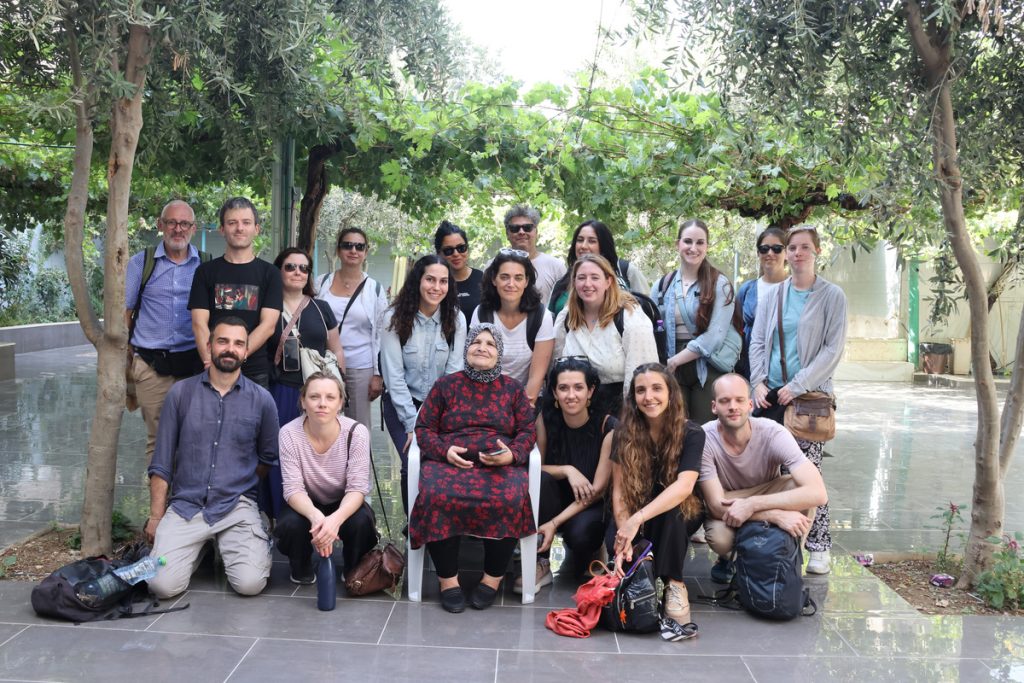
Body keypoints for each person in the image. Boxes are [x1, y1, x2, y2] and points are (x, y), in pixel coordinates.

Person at [145, 317, 279, 599]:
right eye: (223, 341)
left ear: (246, 351)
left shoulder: (262, 400)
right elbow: (161, 462)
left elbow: (268, 459)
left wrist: (238, 482)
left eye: (238, 343)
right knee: (160, 585)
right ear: (209, 346)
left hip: (236, 506)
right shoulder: (180, 394)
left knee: (250, 584)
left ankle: (250, 537)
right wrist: (156, 517)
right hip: (186, 506)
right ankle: (202, 546)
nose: (230, 349)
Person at [410, 324, 536, 613]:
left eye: (490, 344)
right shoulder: (445, 386)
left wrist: (511, 455)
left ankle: (492, 579)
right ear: (466, 349)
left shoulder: (513, 390)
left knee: (510, 496)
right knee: (435, 494)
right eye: (476, 342)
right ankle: (447, 581)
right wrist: (444, 451)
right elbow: (424, 428)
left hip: (498, 465)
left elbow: (528, 431)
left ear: (499, 353)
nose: (482, 347)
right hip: (451, 462)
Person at [749, 224, 847, 575]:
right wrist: (758, 381)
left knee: (808, 474)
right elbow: (758, 340)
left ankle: (819, 546)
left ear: (817, 251)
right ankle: (774, 544)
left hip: (807, 399)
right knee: (770, 474)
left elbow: (832, 350)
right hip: (770, 397)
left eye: (805, 247)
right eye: (792, 247)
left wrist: (799, 384)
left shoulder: (832, 296)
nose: (797, 253)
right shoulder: (774, 294)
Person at [699, 373, 828, 583]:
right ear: (714, 407)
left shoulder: (773, 432)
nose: (733, 407)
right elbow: (714, 505)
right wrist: (775, 515)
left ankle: (787, 556)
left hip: (766, 491)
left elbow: (818, 492)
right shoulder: (703, 437)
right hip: (728, 499)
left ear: (750, 404)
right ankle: (730, 559)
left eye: (739, 400)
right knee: (720, 538)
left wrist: (752, 504)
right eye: (725, 401)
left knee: (801, 488)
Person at [608, 363, 704, 633]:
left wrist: (636, 520)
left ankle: (675, 583)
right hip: (634, 508)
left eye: (656, 389)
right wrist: (625, 534)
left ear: (671, 393)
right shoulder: (623, 432)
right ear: (633, 397)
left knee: (673, 515)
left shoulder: (692, 433)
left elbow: (684, 487)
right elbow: (619, 491)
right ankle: (640, 577)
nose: (648, 397)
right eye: (641, 390)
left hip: (677, 509)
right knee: (622, 552)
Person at [380, 254, 466, 511]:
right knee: (413, 462)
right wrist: (412, 424)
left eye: (443, 281)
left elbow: (453, 375)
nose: (436, 287)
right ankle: (413, 526)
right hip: (402, 405)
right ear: (418, 280)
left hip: (442, 408)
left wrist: (436, 419)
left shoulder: (456, 319)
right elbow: (394, 377)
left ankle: (439, 522)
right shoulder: (394, 318)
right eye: (430, 279)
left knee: (442, 464)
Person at [274, 372, 378, 584]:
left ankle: (352, 567)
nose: (322, 403)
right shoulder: (289, 433)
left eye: (330, 397)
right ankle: (301, 566)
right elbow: (293, 489)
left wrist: (334, 520)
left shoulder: (356, 432)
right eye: (314, 397)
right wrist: (317, 518)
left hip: (344, 501)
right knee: (289, 524)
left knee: (362, 522)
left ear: (340, 403)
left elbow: (357, 488)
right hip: (307, 503)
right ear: (303, 401)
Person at [265, 247, 345, 519]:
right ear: (278, 270)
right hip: (281, 391)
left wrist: (338, 390)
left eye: (303, 268)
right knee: (279, 454)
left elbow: (336, 349)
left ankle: (317, 518)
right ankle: (280, 518)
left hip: (318, 394)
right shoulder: (267, 307)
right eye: (290, 267)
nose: (297, 272)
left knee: (317, 454)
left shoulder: (321, 308)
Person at [125, 199, 206, 464]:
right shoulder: (141, 263)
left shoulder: (205, 265)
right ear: (160, 225)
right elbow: (125, 313)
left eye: (184, 223)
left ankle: (185, 490)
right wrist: (129, 357)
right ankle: (159, 492)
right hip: (151, 366)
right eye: (172, 222)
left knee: (194, 436)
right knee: (158, 438)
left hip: (194, 366)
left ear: (193, 228)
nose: (178, 229)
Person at [529, 357, 613, 591]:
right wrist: (568, 470)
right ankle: (541, 561)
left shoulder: (608, 426)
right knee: (541, 480)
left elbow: (597, 490)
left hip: (590, 503)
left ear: (590, 391)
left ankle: (592, 549)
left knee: (581, 538)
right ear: (554, 393)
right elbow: (535, 468)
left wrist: (554, 523)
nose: (571, 395)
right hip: (555, 497)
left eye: (578, 387)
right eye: (563, 388)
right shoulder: (546, 419)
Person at [189, 197, 282, 388]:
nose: (239, 228)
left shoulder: (270, 273)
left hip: (254, 372)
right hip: (211, 367)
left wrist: (236, 357)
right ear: (222, 229)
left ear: (256, 229)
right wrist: (211, 361)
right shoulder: (205, 272)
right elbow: (199, 323)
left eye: (246, 222)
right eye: (232, 223)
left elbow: (268, 325)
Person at [654, 218, 739, 425]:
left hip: (707, 364)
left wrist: (675, 361)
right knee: (675, 429)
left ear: (707, 246)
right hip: (672, 366)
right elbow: (655, 325)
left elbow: (715, 336)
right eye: (688, 241)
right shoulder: (662, 285)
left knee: (705, 429)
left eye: (700, 242)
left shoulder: (720, 284)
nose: (693, 248)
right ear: (678, 244)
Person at [553, 254, 659, 417]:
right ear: (574, 282)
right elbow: (557, 364)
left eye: (595, 277)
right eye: (581, 278)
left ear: (608, 281)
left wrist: (630, 419)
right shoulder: (567, 317)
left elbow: (643, 374)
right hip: (577, 413)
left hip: (620, 411)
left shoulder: (630, 317)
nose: (587, 284)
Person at [315, 227, 388, 431]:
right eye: (347, 245)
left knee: (358, 428)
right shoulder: (321, 283)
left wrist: (378, 374)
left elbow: (381, 334)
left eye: (359, 246)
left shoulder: (374, 289)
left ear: (366, 252)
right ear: (338, 250)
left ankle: (358, 455)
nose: (353, 250)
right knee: (324, 423)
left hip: (360, 367)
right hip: (325, 364)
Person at [471, 248, 554, 407]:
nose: (511, 284)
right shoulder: (482, 313)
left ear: (526, 281)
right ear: (494, 279)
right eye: (504, 277)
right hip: (485, 398)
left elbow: (536, 378)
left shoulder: (541, 317)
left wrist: (517, 411)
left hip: (526, 401)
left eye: (518, 278)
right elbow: (476, 367)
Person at [548, 219, 649, 316]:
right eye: (580, 240)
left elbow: (646, 309)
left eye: (592, 241)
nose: (583, 246)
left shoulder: (625, 270)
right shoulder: (562, 282)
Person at [735, 227, 787, 379]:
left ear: (786, 253)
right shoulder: (747, 290)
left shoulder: (795, 288)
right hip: (750, 368)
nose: (770, 253)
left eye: (777, 249)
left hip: (785, 368)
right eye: (764, 249)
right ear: (758, 253)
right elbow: (735, 328)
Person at [503, 205, 566, 306]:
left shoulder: (556, 267)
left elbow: (566, 305)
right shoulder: (494, 266)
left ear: (536, 232)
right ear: (507, 234)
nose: (521, 232)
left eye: (527, 228)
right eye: (515, 228)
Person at [435, 220, 483, 322]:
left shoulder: (484, 279)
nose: (456, 254)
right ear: (438, 253)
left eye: (461, 248)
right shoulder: (434, 284)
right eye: (448, 250)